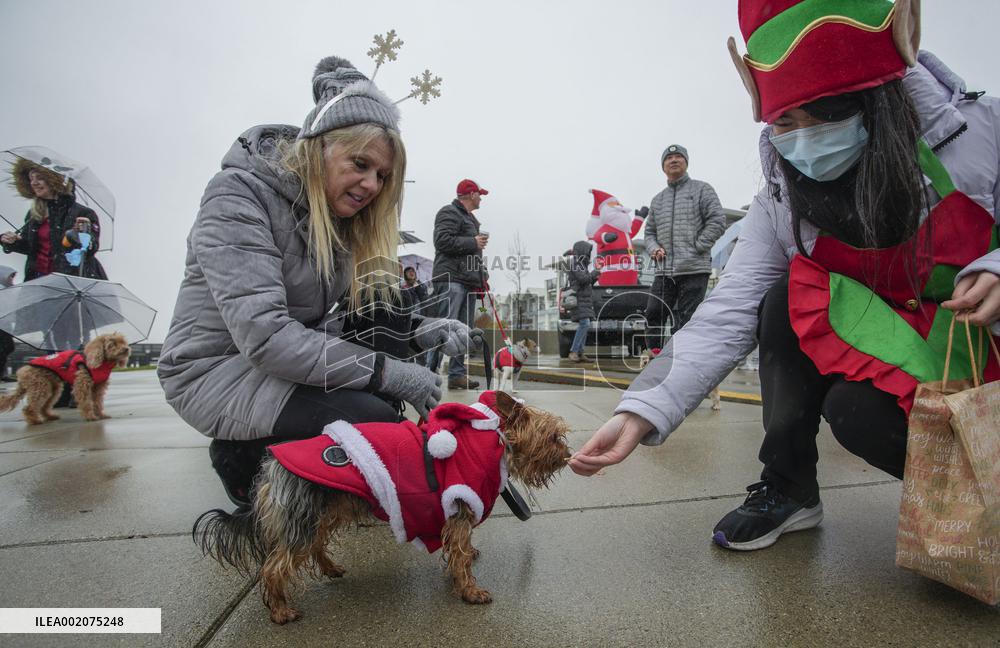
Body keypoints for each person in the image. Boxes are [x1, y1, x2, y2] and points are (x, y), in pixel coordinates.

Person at [571, 0, 1000, 553]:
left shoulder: (980, 132)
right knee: (789, 314)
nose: (804, 140)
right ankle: (790, 484)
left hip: (981, 345)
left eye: (824, 115)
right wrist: (640, 410)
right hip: (898, 350)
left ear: (876, 100)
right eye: (786, 123)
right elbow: (729, 309)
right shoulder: (780, 196)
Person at [157, 55, 478, 508]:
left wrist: (422, 332)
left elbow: (349, 323)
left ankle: (310, 457)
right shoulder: (237, 195)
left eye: (382, 176)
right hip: (216, 371)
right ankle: (243, 457)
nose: (372, 185)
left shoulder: (337, 220)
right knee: (375, 423)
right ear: (320, 147)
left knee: (379, 386)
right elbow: (267, 337)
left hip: (274, 364)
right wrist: (389, 374)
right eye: (360, 163)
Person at [642, 144, 726, 349]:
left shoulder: (702, 189)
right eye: (668, 158)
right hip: (664, 271)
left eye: (679, 156)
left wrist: (698, 246)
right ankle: (654, 355)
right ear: (663, 166)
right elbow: (649, 233)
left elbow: (717, 220)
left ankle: (680, 358)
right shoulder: (657, 200)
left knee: (686, 320)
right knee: (654, 312)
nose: (673, 160)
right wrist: (654, 249)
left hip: (694, 268)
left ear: (686, 162)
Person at [427, 179, 490, 389]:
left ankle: (456, 374)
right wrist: (473, 242)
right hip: (451, 280)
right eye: (480, 194)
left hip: (467, 281)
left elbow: (469, 255)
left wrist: (482, 274)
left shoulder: (470, 219)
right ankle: (428, 374)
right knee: (443, 328)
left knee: (464, 331)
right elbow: (441, 241)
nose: (481, 198)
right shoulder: (449, 212)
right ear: (471, 195)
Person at [1, 160, 107, 281]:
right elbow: (30, 248)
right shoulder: (34, 214)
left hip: (71, 281)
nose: (34, 183)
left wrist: (82, 236)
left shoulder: (83, 213)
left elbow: (91, 248)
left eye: (39, 178)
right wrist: (12, 242)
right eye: (31, 179)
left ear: (54, 180)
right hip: (38, 280)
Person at [565, 241, 599, 363]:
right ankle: (574, 352)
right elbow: (583, 279)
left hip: (584, 299)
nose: (589, 254)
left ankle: (580, 352)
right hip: (578, 298)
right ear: (582, 251)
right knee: (584, 323)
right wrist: (594, 273)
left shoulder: (581, 264)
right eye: (587, 251)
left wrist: (594, 277)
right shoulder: (575, 263)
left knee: (586, 324)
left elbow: (587, 282)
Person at [0, 266, 16, 381]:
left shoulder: (7, 290)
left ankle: (2, 373)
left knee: (6, 347)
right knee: (6, 347)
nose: (12, 280)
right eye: (10, 277)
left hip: (5, 324)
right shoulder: (2, 290)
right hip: (2, 324)